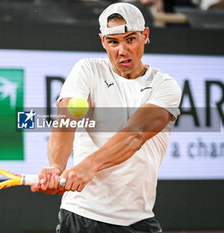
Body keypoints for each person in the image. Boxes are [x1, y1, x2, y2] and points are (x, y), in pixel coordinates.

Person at [31, 2, 181, 233]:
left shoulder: (165, 86)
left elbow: (136, 135)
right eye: (113, 42)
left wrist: (88, 166)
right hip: (82, 217)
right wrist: (56, 167)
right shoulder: (87, 70)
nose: (122, 50)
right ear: (103, 41)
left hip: (137, 220)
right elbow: (66, 122)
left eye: (130, 39)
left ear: (145, 35)